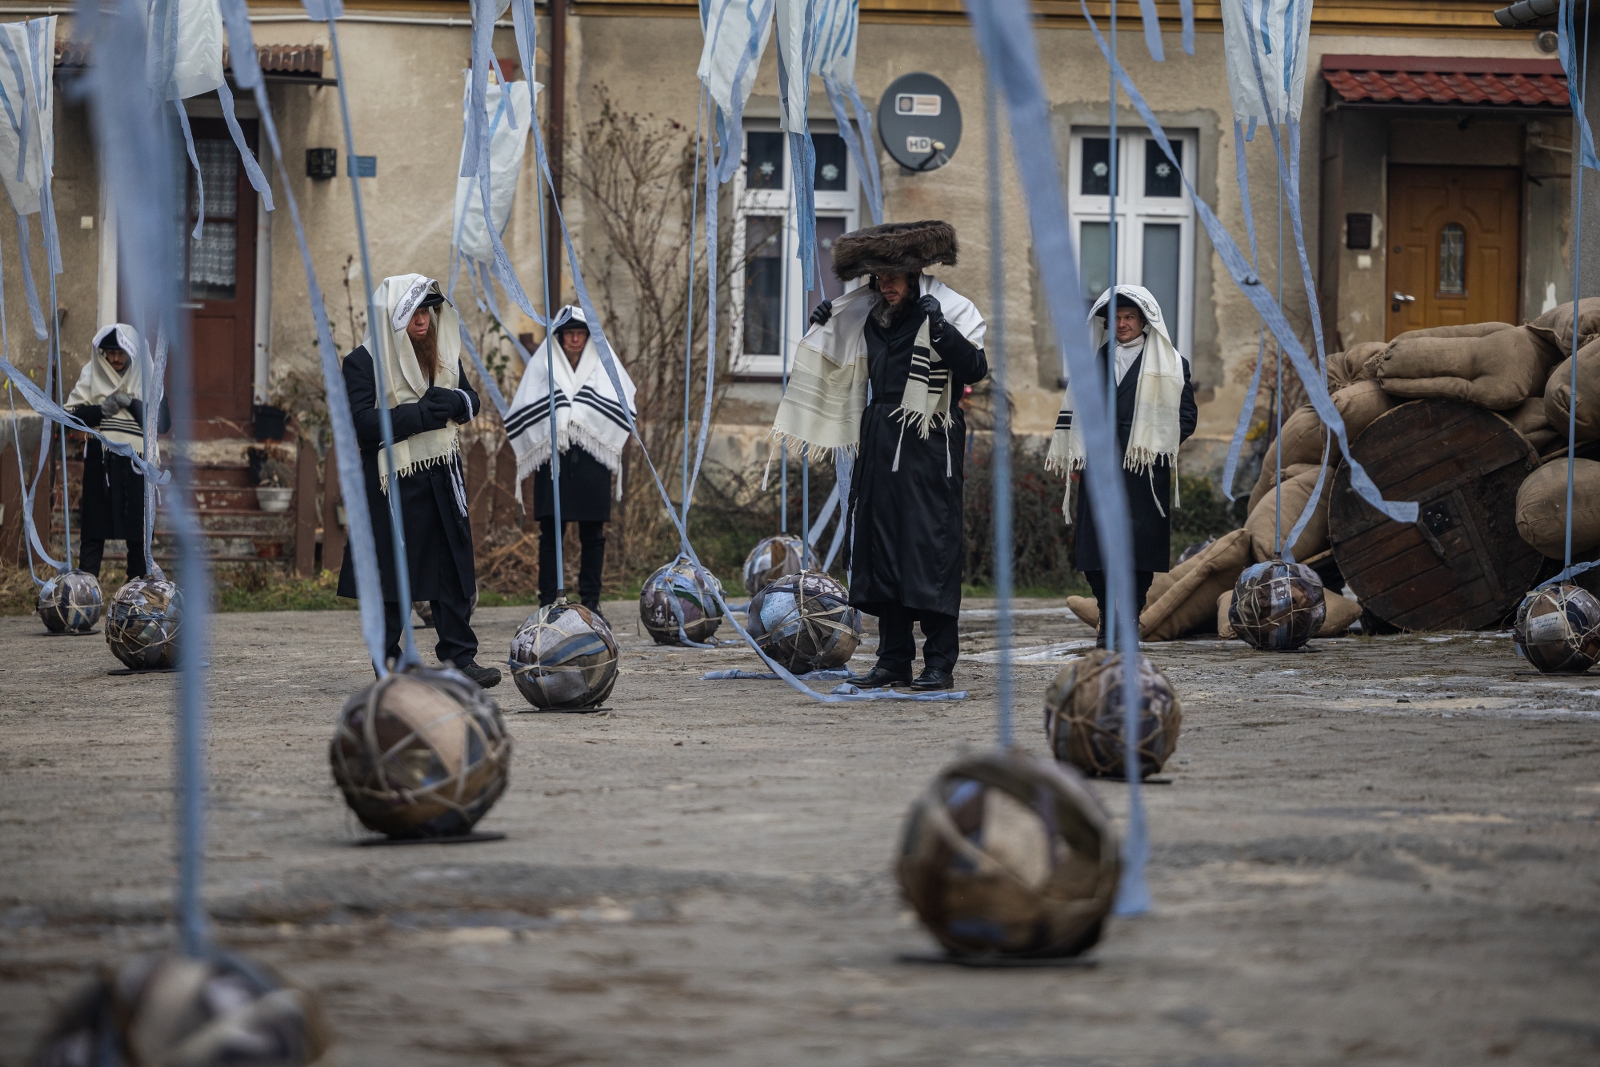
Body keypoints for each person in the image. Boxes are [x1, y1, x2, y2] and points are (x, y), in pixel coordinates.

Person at [774, 220, 987, 690]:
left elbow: (975, 367)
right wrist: (826, 322)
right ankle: (893, 660)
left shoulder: (952, 309)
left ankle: (939, 664)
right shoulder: (868, 313)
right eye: (879, 277)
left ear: (914, 275)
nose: (885, 285)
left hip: (931, 442)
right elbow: (835, 351)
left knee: (929, 550)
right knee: (883, 548)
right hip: (880, 439)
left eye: (894, 277)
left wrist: (940, 327)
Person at [336, 274, 500, 687]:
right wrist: (419, 416)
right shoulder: (362, 362)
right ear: (392, 318)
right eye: (412, 313)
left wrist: (457, 402)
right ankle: (389, 664)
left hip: (442, 474)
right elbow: (362, 423)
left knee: (452, 570)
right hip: (392, 483)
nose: (423, 320)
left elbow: (470, 399)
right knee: (393, 576)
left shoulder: (441, 352)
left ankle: (460, 659)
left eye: (428, 311)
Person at [1047, 285, 1197, 647]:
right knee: (1095, 550)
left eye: (1129, 316)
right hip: (1099, 470)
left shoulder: (1172, 365)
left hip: (1144, 473)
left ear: (1144, 320)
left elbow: (1187, 417)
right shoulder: (1091, 363)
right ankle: (1106, 619)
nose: (1122, 324)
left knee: (1138, 551)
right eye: (1115, 318)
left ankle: (1129, 621)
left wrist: (1152, 444)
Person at [505, 304, 636, 618]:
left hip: (592, 460)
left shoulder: (603, 365)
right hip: (555, 461)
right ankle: (548, 603)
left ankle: (591, 602)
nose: (575, 339)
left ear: (588, 337)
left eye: (580, 333)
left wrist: (578, 417)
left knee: (593, 535)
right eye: (569, 334)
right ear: (559, 336)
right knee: (551, 536)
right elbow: (527, 402)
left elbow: (623, 401)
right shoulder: (544, 365)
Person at [65, 324, 170, 580]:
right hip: (101, 464)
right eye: (110, 352)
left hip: (137, 465)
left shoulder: (149, 376)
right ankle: (86, 588)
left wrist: (132, 403)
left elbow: (163, 423)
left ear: (132, 353)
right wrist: (101, 410)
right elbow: (69, 417)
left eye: (120, 352)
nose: (114, 358)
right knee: (93, 530)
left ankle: (137, 590)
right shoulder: (91, 374)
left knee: (138, 534)